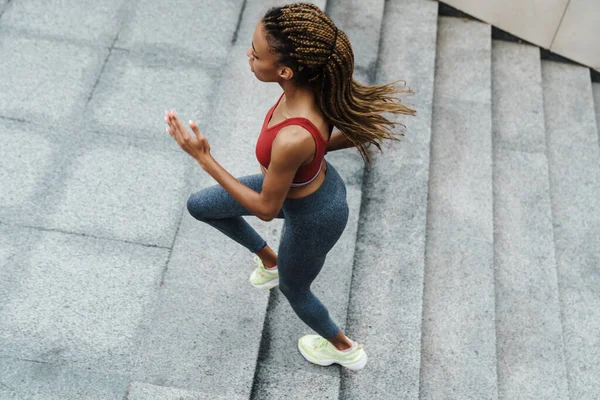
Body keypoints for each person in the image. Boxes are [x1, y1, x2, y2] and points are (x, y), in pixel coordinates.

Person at [164, 3, 414, 371]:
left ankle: (345, 349)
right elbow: (331, 135)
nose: (248, 54)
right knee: (201, 205)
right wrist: (311, 153)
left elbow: (266, 208)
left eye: (256, 53)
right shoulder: (312, 87)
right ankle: (270, 260)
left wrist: (203, 158)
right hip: (295, 187)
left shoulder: (293, 137)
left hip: (315, 216)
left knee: (294, 290)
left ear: (284, 70)